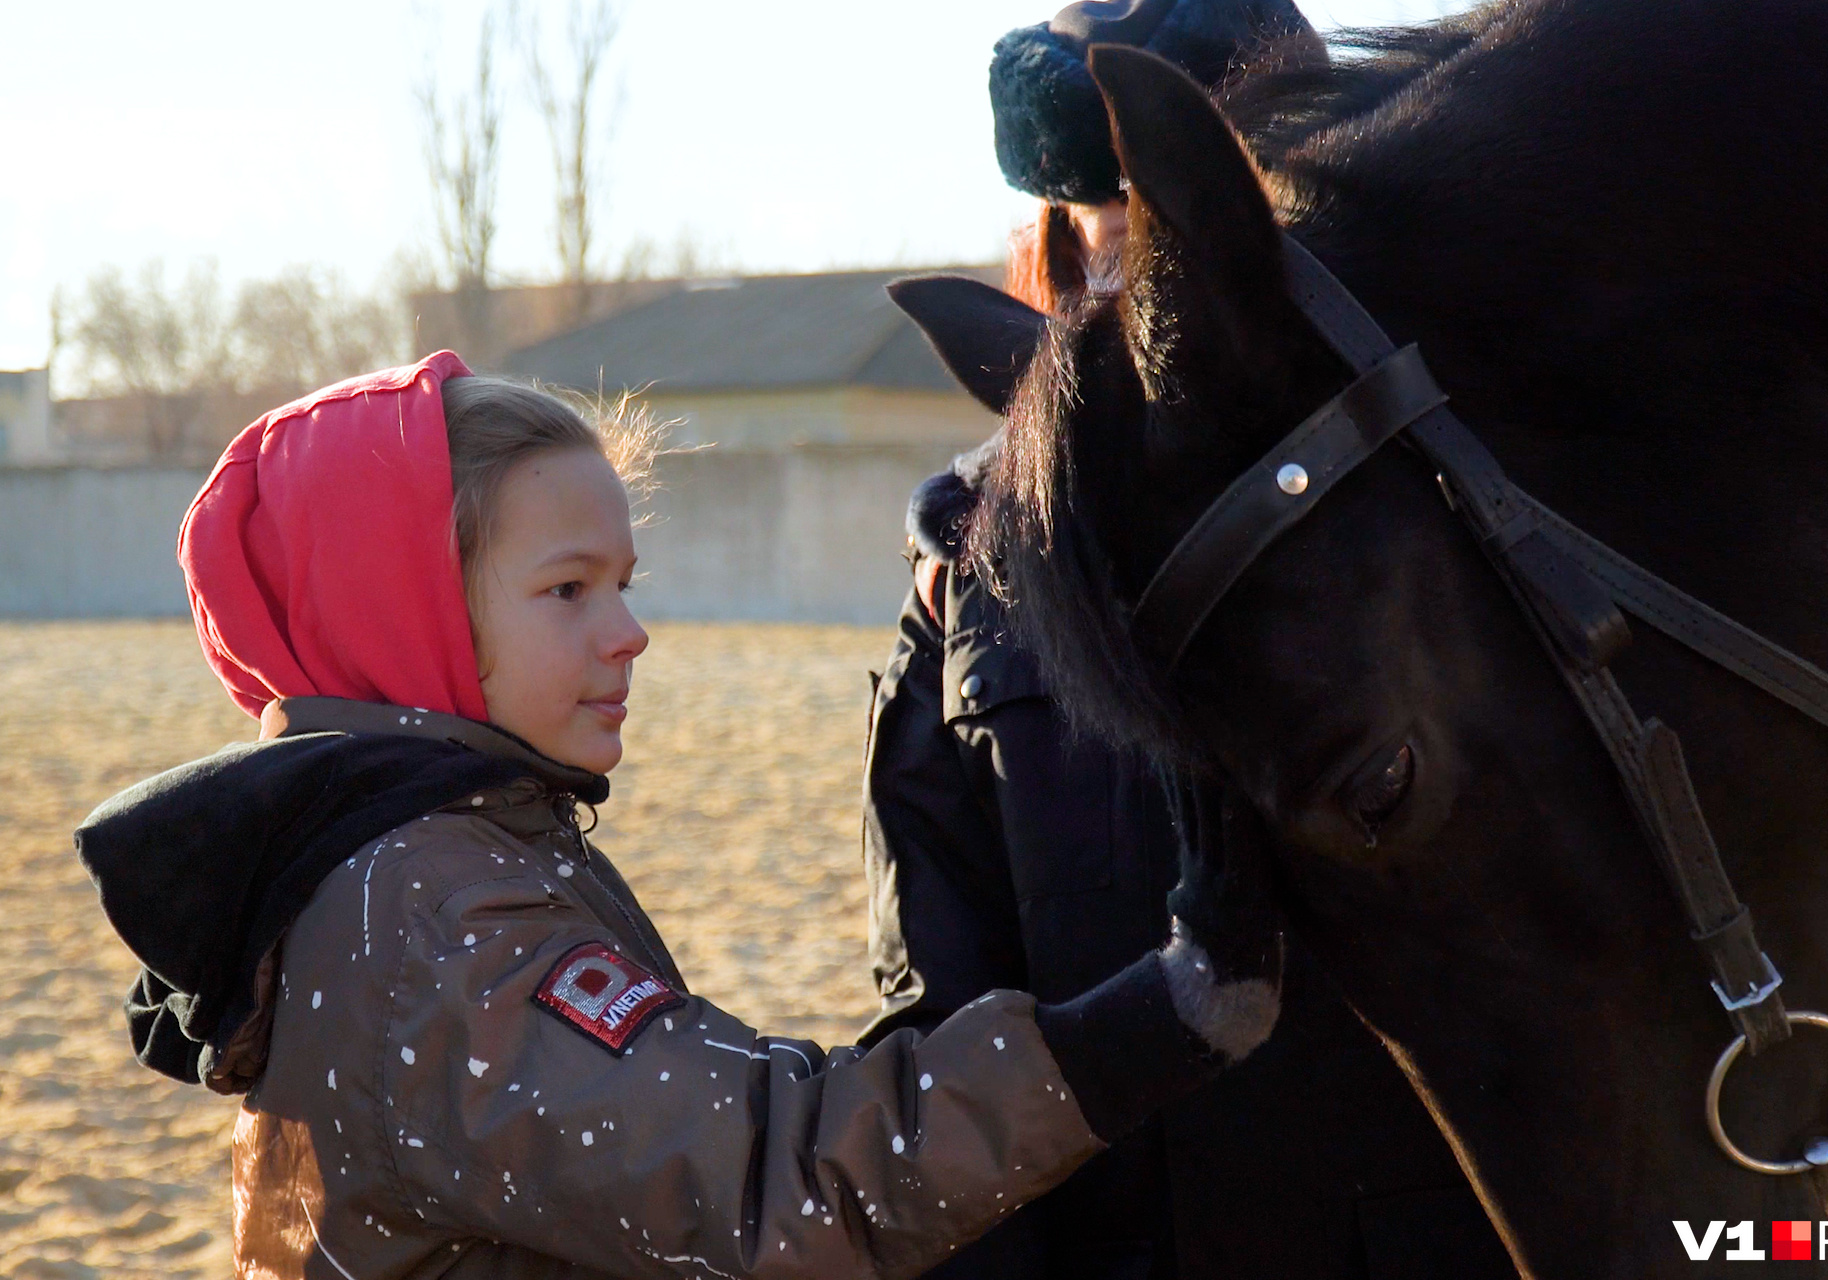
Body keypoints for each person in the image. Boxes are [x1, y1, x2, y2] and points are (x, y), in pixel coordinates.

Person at [74, 351, 1286, 1278]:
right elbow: (766, 1178)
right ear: (408, 617)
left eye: (624, 583)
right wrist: (1156, 1017)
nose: (629, 629)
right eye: (568, 589)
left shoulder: (434, 848)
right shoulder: (436, 916)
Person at [859, 2, 1517, 1276]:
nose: (1143, 300)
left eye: (1192, 239)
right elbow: (941, 1010)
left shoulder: (1470, 484)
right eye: (1107, 241)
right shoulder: (967, 573)